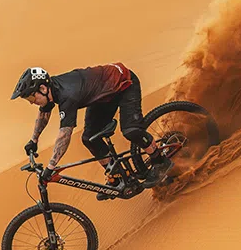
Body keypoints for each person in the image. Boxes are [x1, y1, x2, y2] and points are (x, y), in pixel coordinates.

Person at [12, 63, 149, 199]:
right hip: (104, 95)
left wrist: (51, 166)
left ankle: (159, 159)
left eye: (31, 97)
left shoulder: (67, 95)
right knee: (89, 138)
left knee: (131, 130)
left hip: (124, 83)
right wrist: (33, 140)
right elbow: (44, 113)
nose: (31, 102)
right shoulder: (52, 90)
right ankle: (119, 177)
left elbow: (65, 134)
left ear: (42, 88)